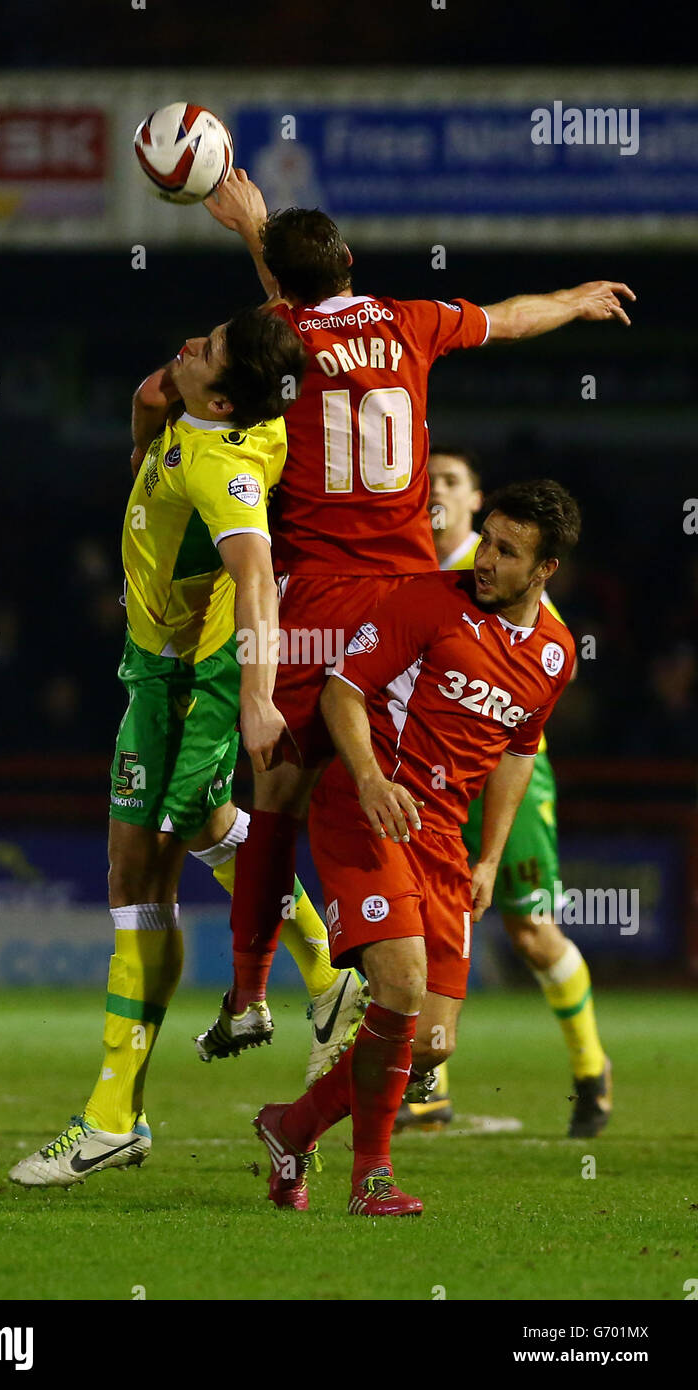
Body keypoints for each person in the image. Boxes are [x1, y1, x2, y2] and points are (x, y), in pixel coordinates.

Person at [198, 170, 634, 1054]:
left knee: (277, 792)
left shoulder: (272, 334)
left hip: (316, 596)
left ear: (280, 282)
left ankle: (253, 995)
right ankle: (422, 1000)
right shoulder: (411, 320)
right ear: (352, 261)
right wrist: (574, 299)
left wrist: (250, 229)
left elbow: (290, 322)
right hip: (409, 601)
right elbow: (510, 316)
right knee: (422, 781)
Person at [9, 307, 355, 1188]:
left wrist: (253, 700)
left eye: (212, 352)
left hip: (189, 677)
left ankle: (112, 1115)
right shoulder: (205, 406)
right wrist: (140, 436)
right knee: (198, 833)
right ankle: (325, 976)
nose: (193, 344)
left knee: (140, 871)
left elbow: (257, 583)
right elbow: (165, 382)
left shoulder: (223, 467)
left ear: (229, 397)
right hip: (150, 664)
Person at [254, 480, 580, 1215]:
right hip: (369, 808)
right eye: (488, 540)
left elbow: (516, 753)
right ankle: (372, 1177)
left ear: (545, 571)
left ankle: (291, 1126)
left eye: (508, 552)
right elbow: (341, 689)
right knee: (399, 986)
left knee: (430, 1042)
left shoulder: (556, 656)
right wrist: (367, 778)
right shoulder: (428, 602)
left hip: (442, 841)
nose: (485, 560)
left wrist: (490, 855)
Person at [395, 448, 610, 1138]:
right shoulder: (411, 571)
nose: (437, 494)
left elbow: (527, 680)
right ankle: (428, 1091)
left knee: (528, 930)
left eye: (452, 483)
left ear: (474, 499)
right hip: (424, 771)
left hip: (502, 770)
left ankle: (591, 1068)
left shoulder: (500, 571)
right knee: (414, 923)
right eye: (429, 483)